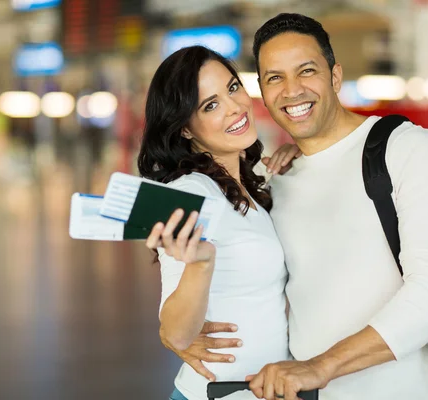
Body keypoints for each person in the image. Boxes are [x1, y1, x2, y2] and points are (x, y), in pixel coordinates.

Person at [160, 13, 428, 400]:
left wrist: (319, 367)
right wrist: (174, 333)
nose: (292, 90)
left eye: (306, 71)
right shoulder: (276, 179)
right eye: (275, 77)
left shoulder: (412, 150)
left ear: (335, 76)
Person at [137, 46, 292, 400]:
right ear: (186, 130)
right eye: (210, 105)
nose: (234, 107)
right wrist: (201, 263)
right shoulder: (193, 190)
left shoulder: (246, 188)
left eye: (233, 88)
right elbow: (175, 333)